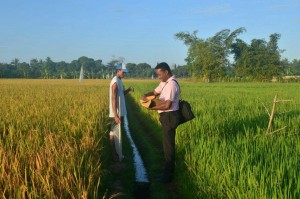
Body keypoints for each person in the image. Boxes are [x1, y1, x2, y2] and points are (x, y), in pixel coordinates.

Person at [141, 62, 181, 183]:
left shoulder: (171, 85)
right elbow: (155, 92)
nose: (158, 77)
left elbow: (167, 104)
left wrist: (150, 108)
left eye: (159, 74)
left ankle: (168, 176)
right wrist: (145, 95)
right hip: (166, 116)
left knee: (168, 147)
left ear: (166, 72)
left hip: (170, 116)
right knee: (166, 145)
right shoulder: (165, 83)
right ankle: (167, 172)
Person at [109, 63, 134, 161]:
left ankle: (117, 153)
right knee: (114, 133)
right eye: (123, 72)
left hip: (119, 113)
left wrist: (128, 90)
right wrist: (115, 115)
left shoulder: (119, 80)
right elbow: (113, 98)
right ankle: (115, 154)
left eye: (125, 72)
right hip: (116, 113)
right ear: (118, 70)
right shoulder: (115, 82)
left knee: (116, 132)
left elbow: (121, 94)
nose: (124, 74)